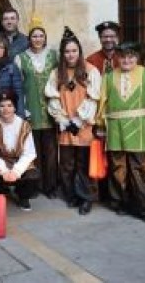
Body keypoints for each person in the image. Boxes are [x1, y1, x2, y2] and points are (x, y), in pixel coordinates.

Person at [95, 42, 145, 223]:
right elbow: (103, 103)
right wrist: (100, 125)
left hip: (140, 128)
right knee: (118, 168)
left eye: (131, 56)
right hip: (115, 129)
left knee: (143, 168)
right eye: (122, 56)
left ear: (137, 58)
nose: (126, 60)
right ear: (117, 57)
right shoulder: (108, 77)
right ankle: (122, 203)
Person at [45, 27, 101, 215]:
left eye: (74, 51)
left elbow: (93, 98)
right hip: (65, 125)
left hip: (83, 125)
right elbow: (52, 98)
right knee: (67, 163)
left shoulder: (90, 71)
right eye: (67, 51)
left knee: (83, 164)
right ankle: (71, 195)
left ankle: (86, 198)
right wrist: (61, 118)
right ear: (63, 53)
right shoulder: (56, 73)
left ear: (79, 51)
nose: (70, 54)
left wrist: (79, 119)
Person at [14, 17, 59, 198]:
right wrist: (22, 109)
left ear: (45, 38)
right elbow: (18, 86)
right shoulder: (20, 58)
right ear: (29, 39)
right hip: (30, 110)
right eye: (34, 36)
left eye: (40, 36)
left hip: (51, 111)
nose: (37, 39)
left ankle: (51, 187)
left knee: (50, 151)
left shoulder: (53, 55)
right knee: (33, 152)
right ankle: (35, 185)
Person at [0, 90, 38, 211]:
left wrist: (16, 171)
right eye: (2, 106)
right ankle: (2, 192)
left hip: (18, 160)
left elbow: (29, 153)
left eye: (9, 105)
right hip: (0, 161)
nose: (6, 109)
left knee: (32, 175)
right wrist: (3, 170)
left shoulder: (24, 125)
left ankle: (23, 196)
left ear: (15, 107)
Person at [86, 21, 121, 203]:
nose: (108, 39)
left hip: (118, 115)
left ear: (117, 38)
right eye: (105, 36)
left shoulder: (124, 58)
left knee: (116, 154)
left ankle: (116, 192)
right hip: (97, 114)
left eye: (111, 36)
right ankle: (96, 193)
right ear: (100, 38)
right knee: (97, 154)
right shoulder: (91, 60)